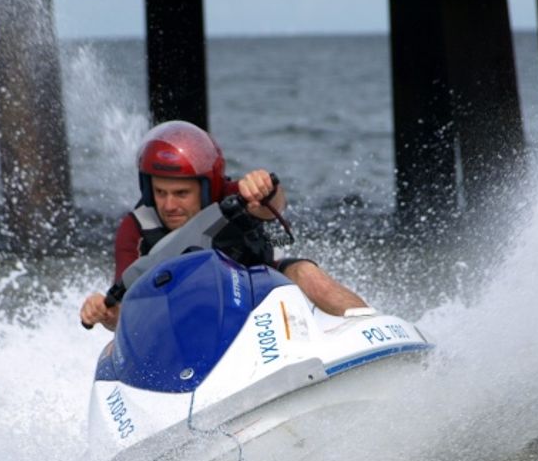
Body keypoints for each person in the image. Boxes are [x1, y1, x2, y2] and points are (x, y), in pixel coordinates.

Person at [80, 120, 368, 331]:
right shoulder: (134, 228)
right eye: (160, 192)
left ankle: (375, 331)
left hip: (259, 288)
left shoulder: (231, 196)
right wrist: (105, 314)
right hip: (184, 317)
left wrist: (265, 187)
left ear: (207, 189)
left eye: (181, 193)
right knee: (115, 344)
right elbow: (125, 308)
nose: (169, 205)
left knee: (305, 272)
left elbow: (273, 206)